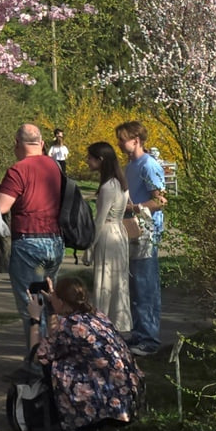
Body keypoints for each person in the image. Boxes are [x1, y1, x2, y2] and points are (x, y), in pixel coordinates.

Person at [27, 276, 146, 431]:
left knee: (53, 367)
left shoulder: (70, 325)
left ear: (61, 301)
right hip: (130, 396)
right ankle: (109, 423)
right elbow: (55, 339)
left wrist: (35, 319)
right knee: (69, 360)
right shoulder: (95, 315)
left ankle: (85, 429)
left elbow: (38, 355)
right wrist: (54, 306)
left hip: (108, 396)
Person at [0, 123, 64, 346]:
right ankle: (55, 360)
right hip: (55, 241)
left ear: (17, 144)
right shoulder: (54, 167)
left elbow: (1, 207)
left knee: (32, 307)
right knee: (50, 303)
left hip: (29, 243)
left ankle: (37, 366)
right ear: (42, 144)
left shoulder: (18, 170)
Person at [116, 120, 169, 357]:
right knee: (135, 286)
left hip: (146, 232)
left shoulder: (148, 165)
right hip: (132, 230)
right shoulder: (130, 166)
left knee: (146, 286)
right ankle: (138, 334)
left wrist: (134, 207)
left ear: (136, 140)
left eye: (122, 139)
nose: (119, 143)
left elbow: (160, 200)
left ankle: (149, 338)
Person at [85, 142, 132, 332]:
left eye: (90, 157)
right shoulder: (121, 183)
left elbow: (99, 220)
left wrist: (89, 247)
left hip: (108, 235)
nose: (87, 161)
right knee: (118, 282)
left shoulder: (108, 187)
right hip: (119, 233)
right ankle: (117, 324)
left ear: (100, 160)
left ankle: (101, 325)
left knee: (104, 280)